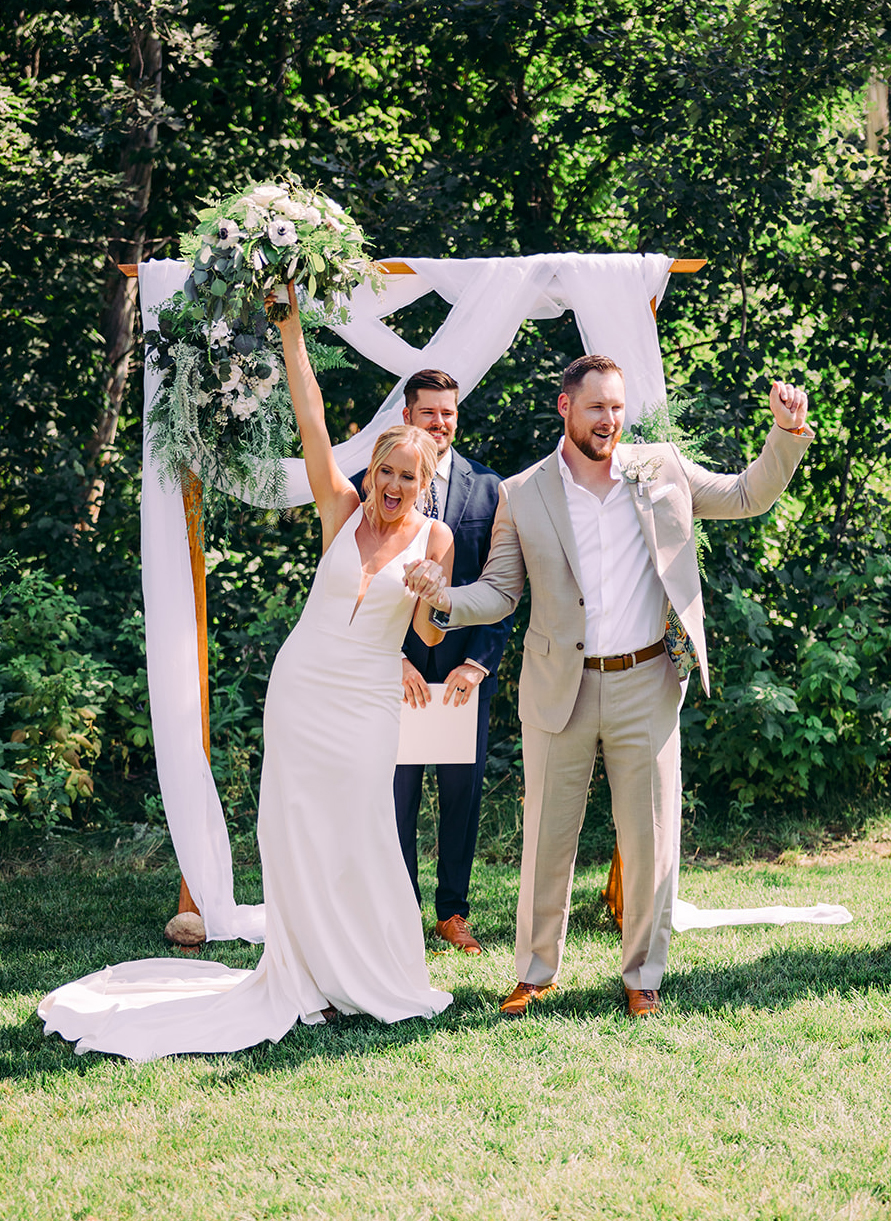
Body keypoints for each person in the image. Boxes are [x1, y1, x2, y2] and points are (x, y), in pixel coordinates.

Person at [38, 284, 454, 1059]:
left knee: (360, 828)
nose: (393, 487)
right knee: (293, 830)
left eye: (408, 478)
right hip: (301, 691)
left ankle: (371, 971)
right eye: (387, 472)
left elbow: (429, 630)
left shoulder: (435, 542)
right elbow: (312, 419)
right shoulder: (340, 507)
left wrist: (437, 600)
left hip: (367, 702)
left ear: (425, 484)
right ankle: (301, 977)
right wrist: (291, 332)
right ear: (374, 471)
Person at [405, 354, 813, 1019]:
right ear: (565, 408)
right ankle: (535, 973)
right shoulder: (523, 490)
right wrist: (444, 599)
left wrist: (784, 435)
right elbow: (501, 589)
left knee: (649, 836)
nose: (610, 419)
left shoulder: (661, 467)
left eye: (617, 407)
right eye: (596, 407)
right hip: (558, 686)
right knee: (545, 839)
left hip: (645, 679)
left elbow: (745, 495)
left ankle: (642, 975)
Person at [353, 370, 512, 954]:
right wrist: (389, 656)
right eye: (430, 413)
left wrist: (479, 663)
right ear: (407, 414)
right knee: (394, 794)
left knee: (462, 795)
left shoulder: (490, 489)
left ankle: (453, 912)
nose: (441, 423)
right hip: (394, 672)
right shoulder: (370, 489)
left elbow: (503, 583)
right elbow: (355, 584)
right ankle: (397, 913)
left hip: (463, 676)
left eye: (449, 413)